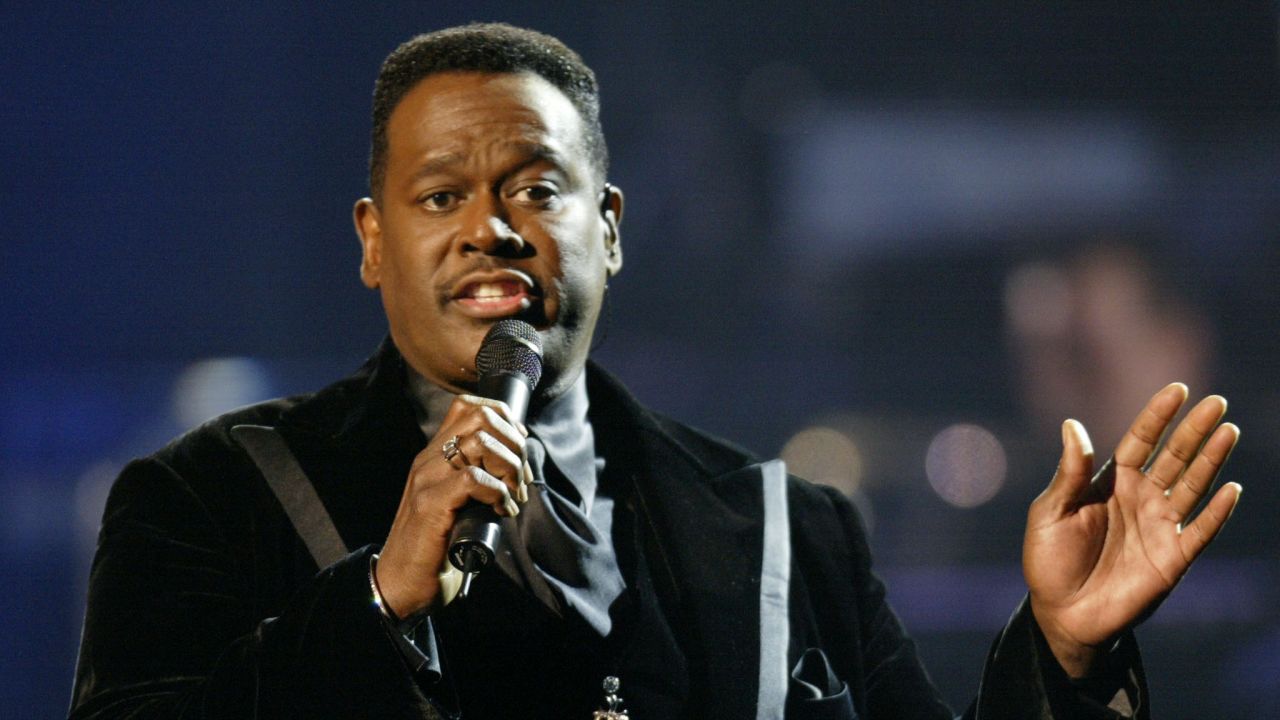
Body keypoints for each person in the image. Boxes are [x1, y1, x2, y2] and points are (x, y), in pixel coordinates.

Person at [68, 23, 1243, 720]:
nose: (491, 229)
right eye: (440, 196)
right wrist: (377, 606)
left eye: (537, 189)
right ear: (373, 241)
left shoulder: (786, 528)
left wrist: (1063, 655)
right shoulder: (208, 501)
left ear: (611, 230)